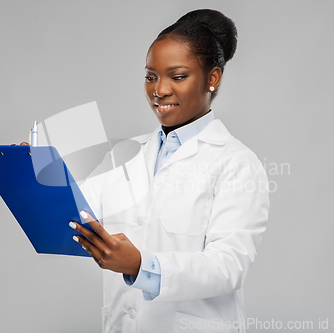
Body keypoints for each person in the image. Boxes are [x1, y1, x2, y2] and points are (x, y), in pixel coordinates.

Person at [63, 9, 269, 333]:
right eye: (150, 76)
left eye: (178, 76)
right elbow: (75, 213)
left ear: (212, 79)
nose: (159, 90)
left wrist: (141, 265)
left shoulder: (237, 164)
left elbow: (228, 266)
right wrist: (31, 172)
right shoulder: (125, 155)